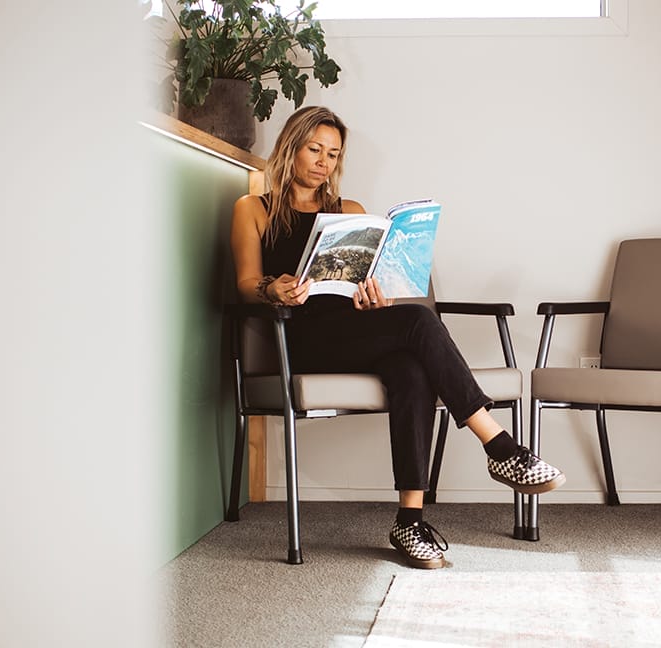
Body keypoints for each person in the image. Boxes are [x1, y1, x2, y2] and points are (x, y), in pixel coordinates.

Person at [231, 105, 565, 569]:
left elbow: (365, 290)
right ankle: (499, 446)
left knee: (412, 370)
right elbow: (245, 283)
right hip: (301, 338)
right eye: (314, 149)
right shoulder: (254, 209)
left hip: (355, 330)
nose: (323, 161)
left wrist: (374, 297)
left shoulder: (349, 212)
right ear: (291, 145)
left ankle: (410, 520)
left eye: (333, 154)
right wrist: (274, 287)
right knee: (420, 322)